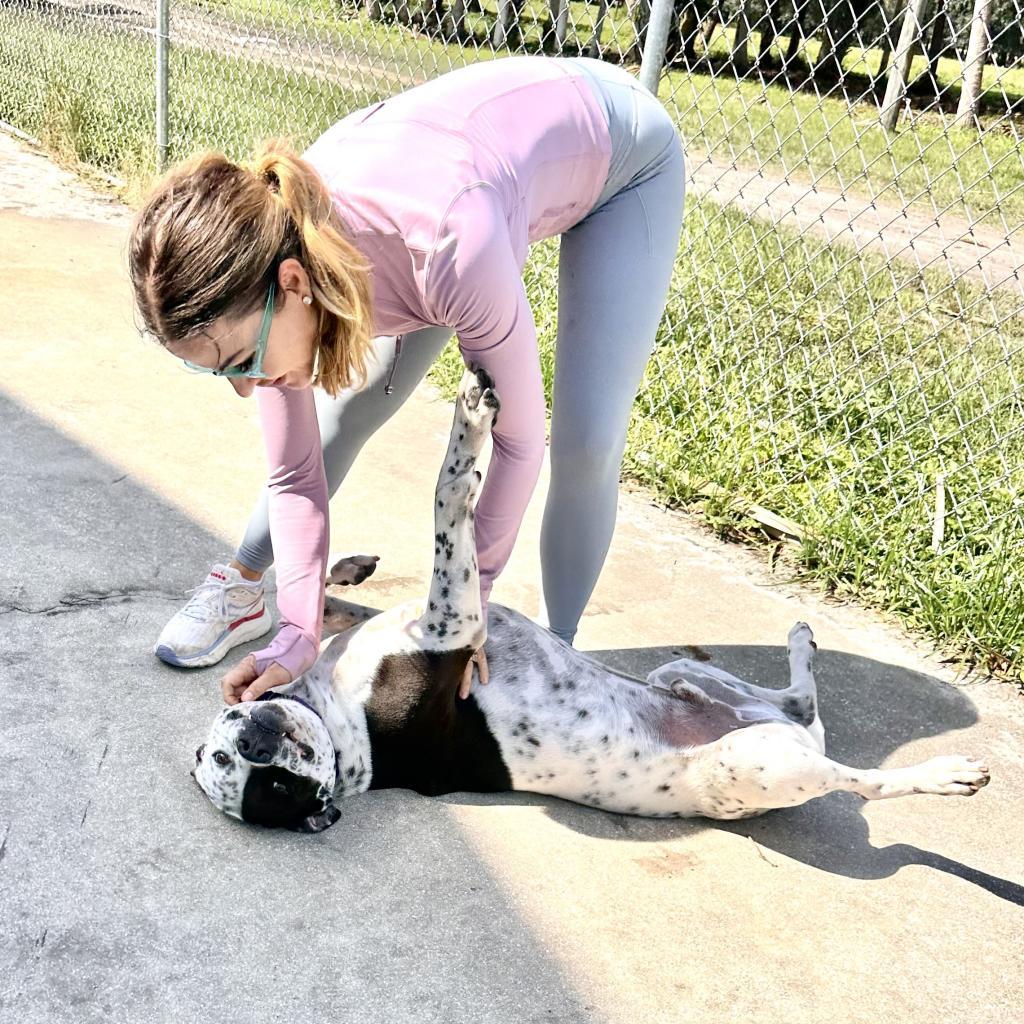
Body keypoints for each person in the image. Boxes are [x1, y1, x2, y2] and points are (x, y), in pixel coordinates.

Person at [129, 54, 685, 705]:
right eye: (217, 370)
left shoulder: (450, 248)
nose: (245, 388)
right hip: (460, 181)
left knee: (584, 442)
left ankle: (557, 660)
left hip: (621, 157)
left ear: (292, 284)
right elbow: (293, 474)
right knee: (351, 412)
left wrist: (462, 612)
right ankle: (246, 587)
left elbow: (515, 443)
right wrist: (298, 635)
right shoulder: (274, 249)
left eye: (240, 361)